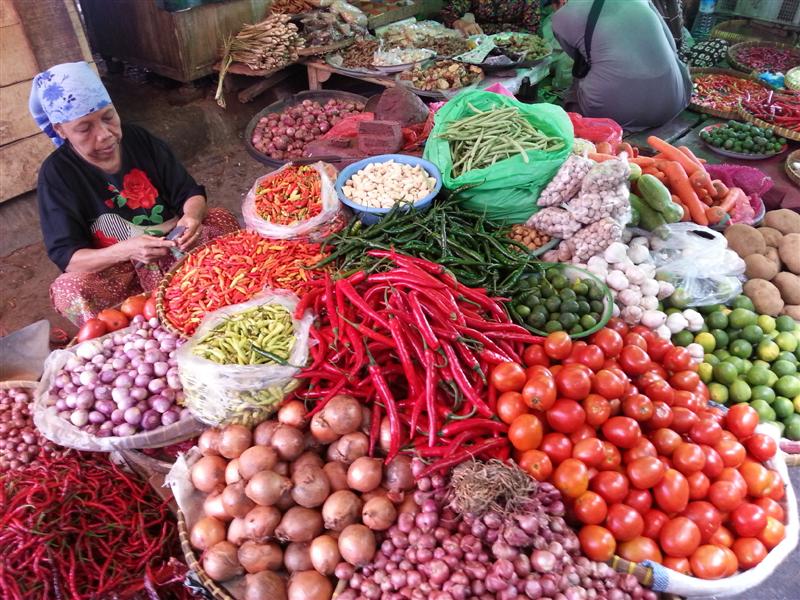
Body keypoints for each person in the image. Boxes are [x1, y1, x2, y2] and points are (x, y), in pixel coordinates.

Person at [30, 61, 240, 326]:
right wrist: (125, 250)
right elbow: (69, 258)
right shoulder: (57, 174)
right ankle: (137, 324)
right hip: (119, 269)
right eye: (85, 128)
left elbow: (189, 192)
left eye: (108, 117)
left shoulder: (138, 138)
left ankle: (199, 294)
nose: (105, 135)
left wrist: (191, 217)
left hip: (174, 246)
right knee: (70, 290)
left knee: (220, 219)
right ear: (60, 129)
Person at [551, 0, 691, 130]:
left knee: (576, 83)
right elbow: (673, 48)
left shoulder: (562, 16)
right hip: (672, 103)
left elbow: (579, 59)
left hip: (614, 112)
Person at [441, 0, 542, 36]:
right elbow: (448, 11)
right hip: (481, 44)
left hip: (519, 45)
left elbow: (533, 31)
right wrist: (460, 23)